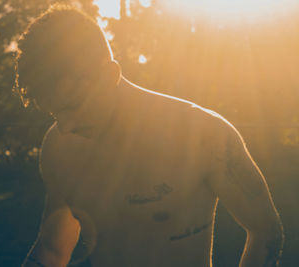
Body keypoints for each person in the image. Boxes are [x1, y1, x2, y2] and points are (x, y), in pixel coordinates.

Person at [15, 4, 284, 267]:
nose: (65, 126)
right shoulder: (59, 148)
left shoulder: (203, 135)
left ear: (109, 75)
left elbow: (265, 231)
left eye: (73, 107)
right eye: (54, 114)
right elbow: (52, 249)